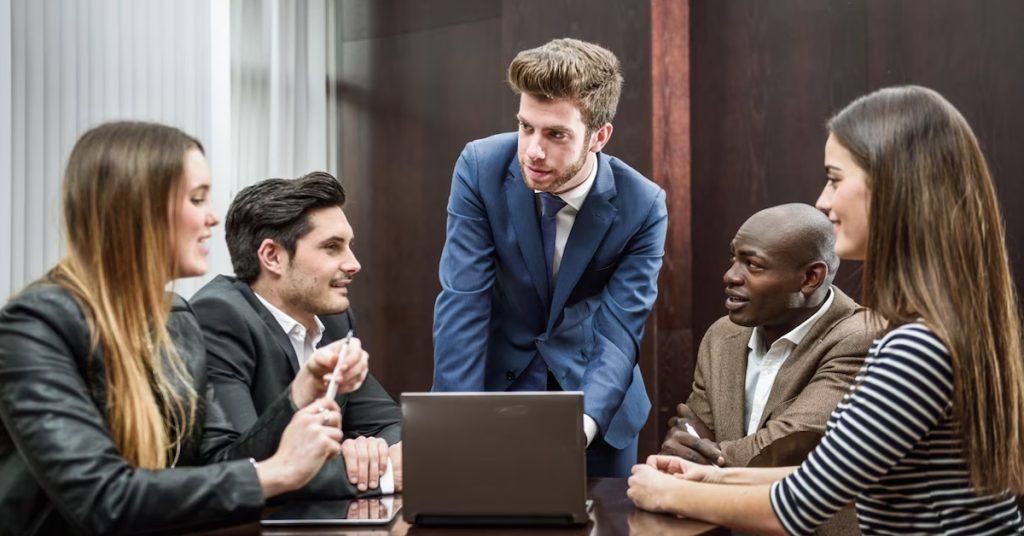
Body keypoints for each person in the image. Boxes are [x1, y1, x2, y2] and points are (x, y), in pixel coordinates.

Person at [628, 86, 1024, 534]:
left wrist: (666, 491)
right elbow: (831, 476)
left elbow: (798, 507)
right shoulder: (934, 329)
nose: (823, 201)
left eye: (835, 179)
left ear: (893, 186)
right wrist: (712, 476)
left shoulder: (917, 346)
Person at [0, 121, 369, 535]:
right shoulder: (36, 325)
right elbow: (103, 498)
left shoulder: (176, 319)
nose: (212, 218)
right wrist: (278, 472)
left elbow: (220, 465)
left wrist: (299, 394)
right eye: (196, 199)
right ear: (136, 210)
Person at [431, 38, 668, 477]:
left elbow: (619, 332)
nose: (533, 151)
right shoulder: (480, 167)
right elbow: (463, 298)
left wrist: (580, 427)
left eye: (556, 134)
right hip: (494, 395)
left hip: (596, 408)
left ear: (600, 136)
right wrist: (455, 419)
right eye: (526, 127)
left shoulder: (644, 205)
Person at [191, 173, 402, 497]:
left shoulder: (334, 320)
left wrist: (369, 451)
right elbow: (238, 466)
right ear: (272, 256)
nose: (354, 264)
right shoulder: (220, 317)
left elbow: (393, 426)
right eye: (332, 248)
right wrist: (379, 474)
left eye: (350, 246)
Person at [661, 203, 872, 470]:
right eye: (733, 259)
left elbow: (786, 450)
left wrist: (703, 462)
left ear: (810, 278)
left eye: (753, 265)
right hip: (713, 511)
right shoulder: (722, 335)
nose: (730, 276)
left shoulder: (860, 338)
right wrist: (687, 446)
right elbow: (690, 432)